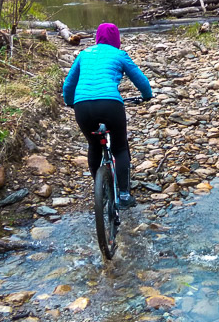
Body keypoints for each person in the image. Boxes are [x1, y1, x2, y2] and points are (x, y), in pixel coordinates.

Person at [62, 23, 153, 208]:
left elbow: (68, 85)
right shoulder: (119, 54)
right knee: (119, 148)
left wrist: (70, 102)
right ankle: (125, 196)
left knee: (94, 146)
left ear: (97, 37)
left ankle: (100, 188)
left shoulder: (84, 54)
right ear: (116, 39)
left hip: (82, 106)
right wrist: (146, 96)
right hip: (110, 104)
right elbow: (140, 79)